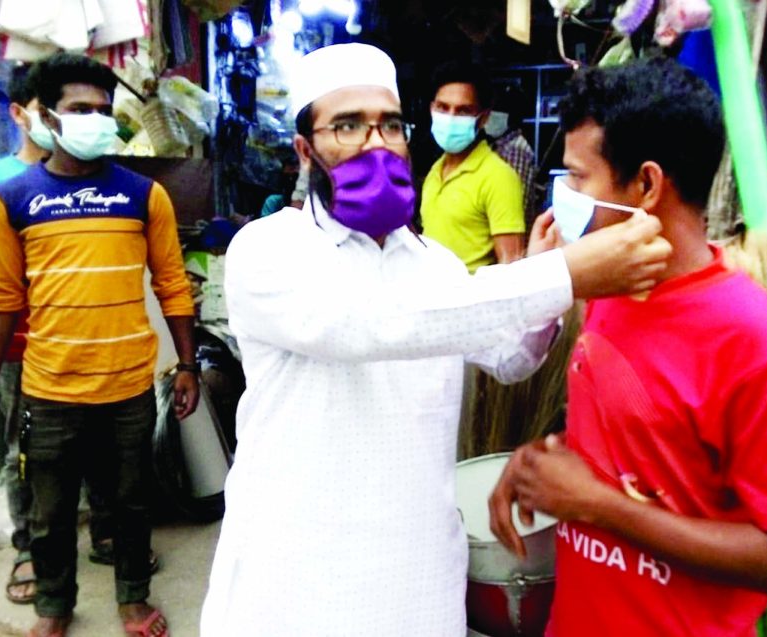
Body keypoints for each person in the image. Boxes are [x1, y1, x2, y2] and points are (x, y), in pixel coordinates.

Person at [200, 43, 671, 637]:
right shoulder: (269, 250)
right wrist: (560, 275)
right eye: (347, 126)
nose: (376, 143)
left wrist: (547, 297)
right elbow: (369, 323)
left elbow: (507, 359)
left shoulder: (434, 263)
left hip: (413, 566)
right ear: (304, 149)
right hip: (300, 568)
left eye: (389, 125)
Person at [488, 58, 767, 637]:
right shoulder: (613, 292)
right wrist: (540, 463)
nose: (562, 199)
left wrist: (601, 506)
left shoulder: (764, 347)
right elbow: (638, 440)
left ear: (647, 186)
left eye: (578, 178)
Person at [0, 52, 199, 637]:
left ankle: (132, 599)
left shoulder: (142, 195)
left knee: (130, 505)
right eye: (81, 110)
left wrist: (187, 364)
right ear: (47, 117)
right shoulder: (12, 199)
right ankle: (55, 608)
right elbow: (1, 298)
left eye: (104, 111)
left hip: (127, 383)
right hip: (48, 387)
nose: (96, 120)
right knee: (50, 513)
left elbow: (173, 283)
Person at [0, 63, 52, 607]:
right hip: (19, 341)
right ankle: (27, 544)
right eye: (48, 108)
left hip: (81, 339)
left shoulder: (96, 179)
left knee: (92, 442)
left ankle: (95, 530)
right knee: (20, 447)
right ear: (21, 113)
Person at [420, 61, 526, 272]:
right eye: (443, 107)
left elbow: (511, 267)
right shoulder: (435, 172)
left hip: (473, 302)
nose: (450, 117)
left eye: (463, 111)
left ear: (483, 118)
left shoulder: (499, 177)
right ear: (432, 109)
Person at [486, 83, 538, 226]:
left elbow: (513, 201)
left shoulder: (516, 150)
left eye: (495, 112)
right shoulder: (498, 146)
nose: (489, 118)